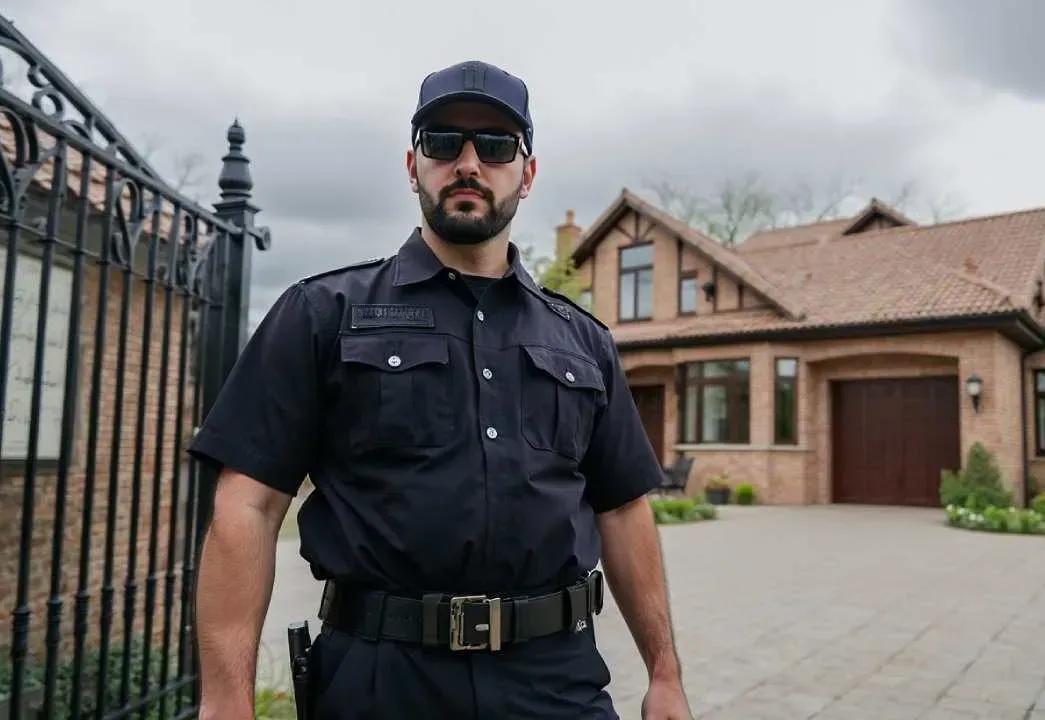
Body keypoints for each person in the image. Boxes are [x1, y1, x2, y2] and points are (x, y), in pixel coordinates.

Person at [187, 60, 693, 720]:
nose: (468, 162)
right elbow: (247, 507)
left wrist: (665, 674)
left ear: (527, 173)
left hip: (554, 684)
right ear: (412, 164)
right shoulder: (321, 313)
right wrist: (226, 701)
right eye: (442, 141)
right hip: (380, 683)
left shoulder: (583, 341)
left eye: (495, 145)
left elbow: (624, 510)